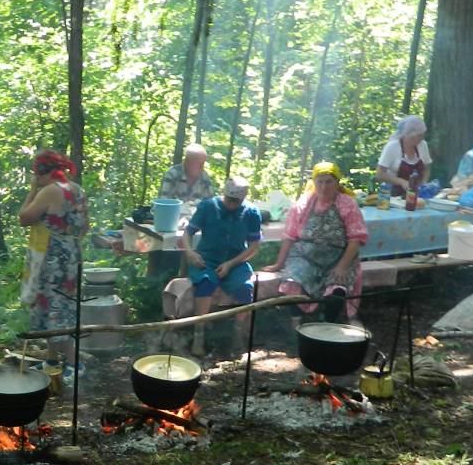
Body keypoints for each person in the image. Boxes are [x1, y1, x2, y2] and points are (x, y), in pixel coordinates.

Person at [267, 161, 369, 322]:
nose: (323, 187)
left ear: (337, 183)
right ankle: (297, 324)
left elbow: (356, 238)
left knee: (337, 290)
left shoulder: (347, 203)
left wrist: (342, 266)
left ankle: (328, 326)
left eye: (329, 181)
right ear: (313, 182)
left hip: (339, 257)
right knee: (292, 283)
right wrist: (279, 264)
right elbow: (289, 235)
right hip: (305, 257)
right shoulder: (304, 203)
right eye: (319, 182)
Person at [18, 150, 89, 368]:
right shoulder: (77, 190)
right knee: (59, 306)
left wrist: (32, 190)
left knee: (56, 310)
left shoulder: (48, 191)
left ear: (42, 173)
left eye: (36, 174)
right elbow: (84, 228)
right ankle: (51, 360)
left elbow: (24, 218)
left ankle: (74, 364)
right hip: (71, 254)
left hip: (51, 259)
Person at [183, 174, 262, 356]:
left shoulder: (251, 212)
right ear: (223, 194)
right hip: (206, 259)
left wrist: (231, 263)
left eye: (236, 201)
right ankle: (199, 337)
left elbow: (254, 246)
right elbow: (187, 233)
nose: (232, 204)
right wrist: (190, 253)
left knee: (245, 288)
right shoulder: (208, 206)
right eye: (229, 199)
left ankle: (237, 333)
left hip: (236, 261)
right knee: (205, 283)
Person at [376, 116, 430, 196]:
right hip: (391, 195)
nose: (422, 138)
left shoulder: (423, 145)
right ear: (409, 134)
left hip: (416, 194)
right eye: (419, 135)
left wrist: (423, 183)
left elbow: (427, 168)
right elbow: (379, 174)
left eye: (422, 135)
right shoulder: (392, 147)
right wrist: (401, 182)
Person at [158, 142, 218, 206]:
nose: (201, 167)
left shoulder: (204, 176)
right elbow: (163, 202)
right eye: (198, 163)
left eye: (202, 163)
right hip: (173, 214)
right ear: (187, 161)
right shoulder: (172, 174)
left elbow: (210, 203)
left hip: (197, 215)